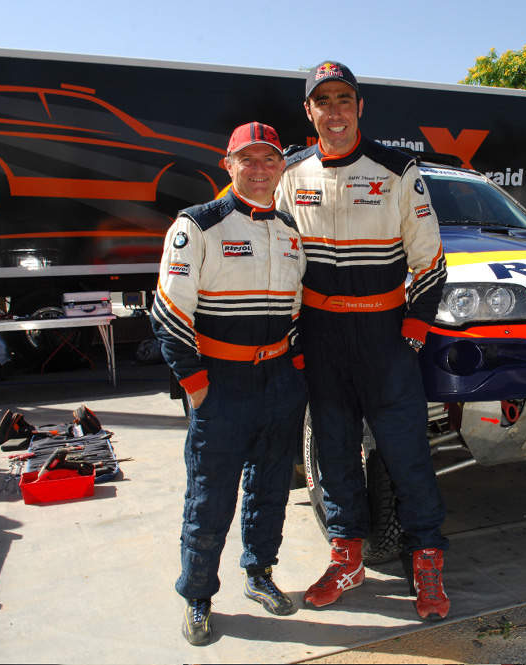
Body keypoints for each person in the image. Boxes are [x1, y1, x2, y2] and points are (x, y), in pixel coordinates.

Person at [275, 61, 451, 621]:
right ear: (310, 111)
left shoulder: (399, 170)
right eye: (322, 100)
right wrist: (294, 336)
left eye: (343, 99)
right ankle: (346, 557)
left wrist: (415, 330)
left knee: (408, 456)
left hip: (385, 336)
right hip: (322, 337)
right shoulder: (290, 173)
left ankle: (425, 562)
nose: (334, 110)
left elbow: (430, 260)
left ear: (359, 106)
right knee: (333, 453)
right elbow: (280, 264)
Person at [151, 122, 307, 645]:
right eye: (249, 160)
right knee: (210, 496)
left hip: (279, 381)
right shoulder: (196, 225)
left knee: (270, 488)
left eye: (269, 160)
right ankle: (198, 596)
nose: (260, 170)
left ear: (280, 167)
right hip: (220, 384)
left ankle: (259, 574)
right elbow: (168, 314)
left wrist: (296, 369)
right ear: (229, 165)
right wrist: (195, 383)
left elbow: (300, 309)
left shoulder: (288, 229)